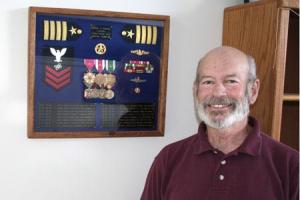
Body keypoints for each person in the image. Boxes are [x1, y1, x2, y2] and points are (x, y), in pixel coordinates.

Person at [140, 46, 299, 200]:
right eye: (208, 82)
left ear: (253, 90)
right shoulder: (168, 159)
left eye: (231, 81)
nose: (218, 92)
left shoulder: (290, 166)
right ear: (196, 91)